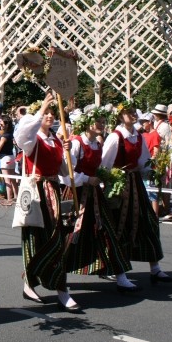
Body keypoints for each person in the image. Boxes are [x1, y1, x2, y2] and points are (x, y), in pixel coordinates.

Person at [14, 93, 80, 311]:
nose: (50, 116)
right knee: (34, 239)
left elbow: (63, 171)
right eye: (47, 114)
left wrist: (68, 154)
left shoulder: (55, 139)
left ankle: (62, 290)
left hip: (54, 191)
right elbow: (22, 133)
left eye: (53, 113)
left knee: (57, 239)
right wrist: (42, 106)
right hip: (37, 192)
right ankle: (29, 282)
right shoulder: (32, 140)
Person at [62, 108, 138, 292]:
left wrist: (106, 177)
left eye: (104, 122)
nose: (102, 125)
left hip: (95, 195)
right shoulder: (76, 143)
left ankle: (120, 275)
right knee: (70, 236)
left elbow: (100, 167)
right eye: (99, 122)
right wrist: (87, 179)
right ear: (88, 123)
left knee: (108, 233)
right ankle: (58, 274)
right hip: (77, 195)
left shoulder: (97, 143)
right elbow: (66, 175)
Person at [101, 102, 172, 285]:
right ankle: (119, 273)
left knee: (148, 222)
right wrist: (111, 182)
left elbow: (144, 161)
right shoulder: (115, 137)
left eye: (134, 112)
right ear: (120, 116)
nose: (133, 115)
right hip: (120, 187)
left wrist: (153, 171)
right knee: (120, 226)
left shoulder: (139, 136)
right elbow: (104, 165)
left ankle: (155, 268)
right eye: (128, 112)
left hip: (136, 184)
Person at [0, 116, 17, 204]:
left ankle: (9, 199)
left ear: (6, 124)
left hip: (4, 158)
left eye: (2, 124)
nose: (0, 125)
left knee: (7, 180)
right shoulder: (11, 133)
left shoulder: (4, 136)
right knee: (13, 179)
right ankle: (16, 196)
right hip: (12, 157)